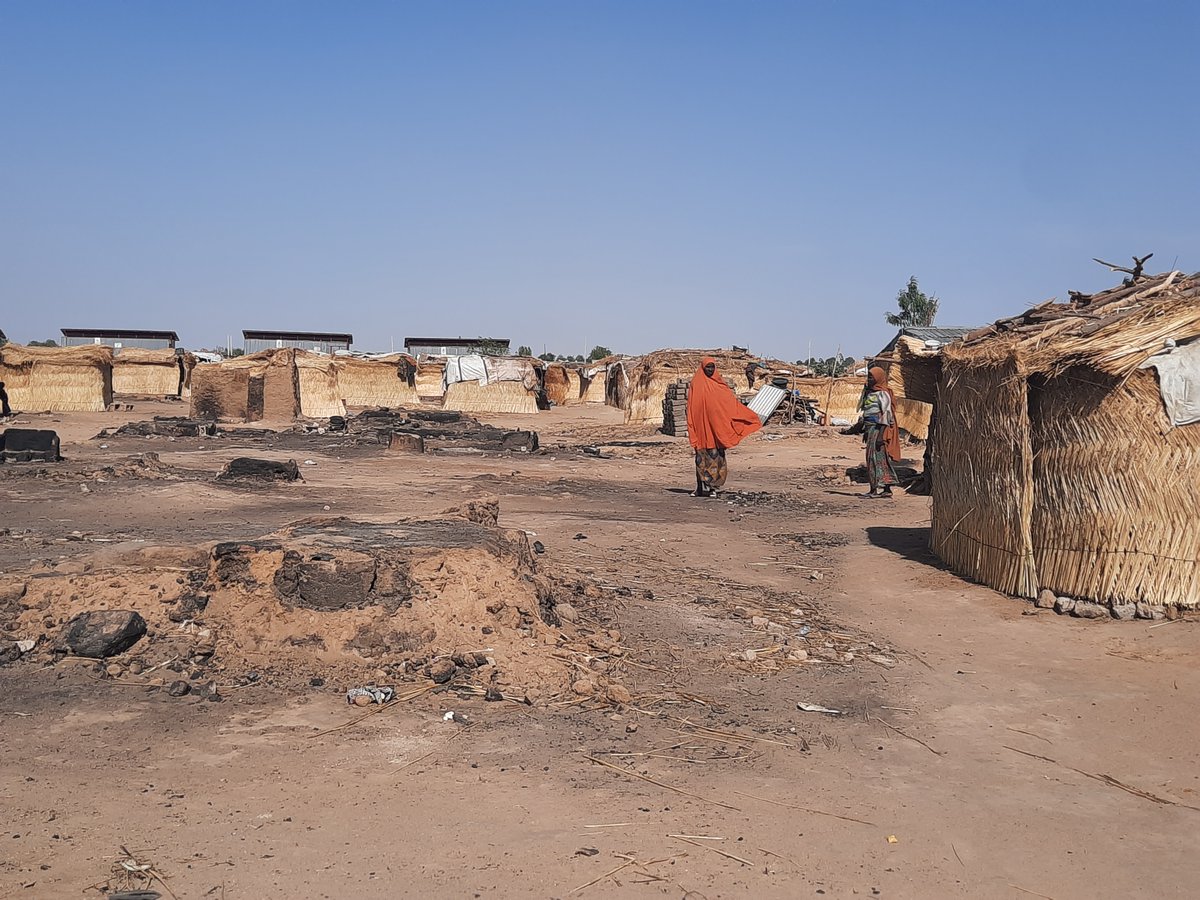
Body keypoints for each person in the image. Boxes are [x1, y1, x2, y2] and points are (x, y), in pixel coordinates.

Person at [685, 357, 762, 497]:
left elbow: (730, 404)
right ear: (703, 367)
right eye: (707, 367)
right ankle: (699, 487)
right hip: (701, 427)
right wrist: (691, 424)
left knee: (714, 456)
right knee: (700, 457)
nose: (710, 370)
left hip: (716, 428)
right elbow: (691, 406)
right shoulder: (696, 383)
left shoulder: (720, 384)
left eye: (712, 367)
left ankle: (713, 488)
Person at [848, 366, 901, 498]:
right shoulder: (871, 393)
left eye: (871, 377)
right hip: (871, 428)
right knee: (875, 457)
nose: (868, 379)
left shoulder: (883, 394)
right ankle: (885, 489)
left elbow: (887, 414)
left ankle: (875, 489)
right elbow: (866, 411)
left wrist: (881, 435)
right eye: (868, 377)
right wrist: (866, 431)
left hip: (879, 428)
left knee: (875, 458)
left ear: (878, 378)